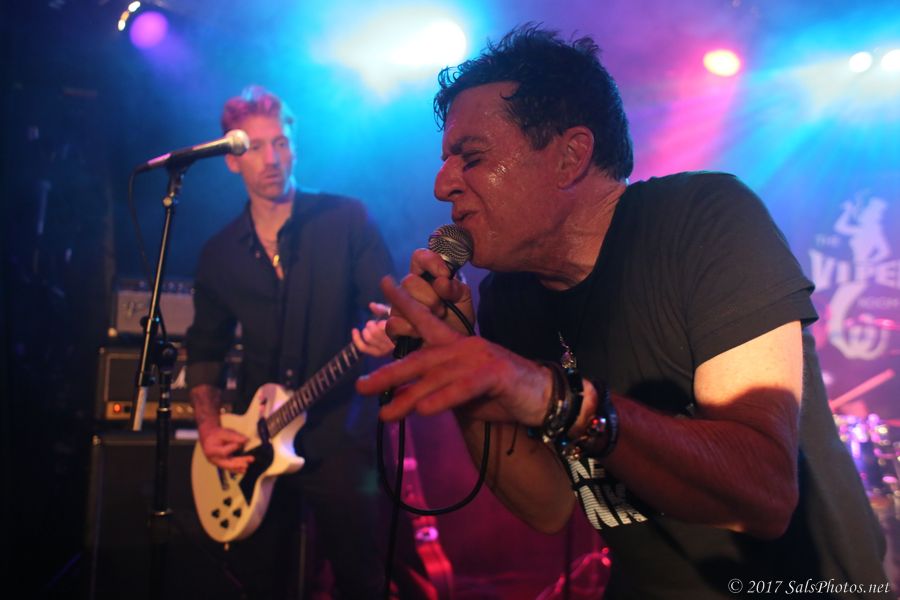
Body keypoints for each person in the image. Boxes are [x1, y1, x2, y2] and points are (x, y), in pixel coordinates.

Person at [357, 26, 892, 599]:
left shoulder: (701, 220)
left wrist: (556, 398)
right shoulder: (509, 298)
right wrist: (462, 369)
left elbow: (764, 495)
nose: (442, 186)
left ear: (569, 156)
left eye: (473, 158)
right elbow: (547, 506)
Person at [185, 85, 435, 599]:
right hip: (257, 437)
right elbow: (205, 350)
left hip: (342, 428)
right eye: (255, 147)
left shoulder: (346, 219)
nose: (271, 159)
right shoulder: (219, 254)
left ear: (294, 148)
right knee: (261, 582)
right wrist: (208, 427)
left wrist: (389, 334)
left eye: (280, 143)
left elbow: (387, 310)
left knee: (363, 575)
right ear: (232, 159)